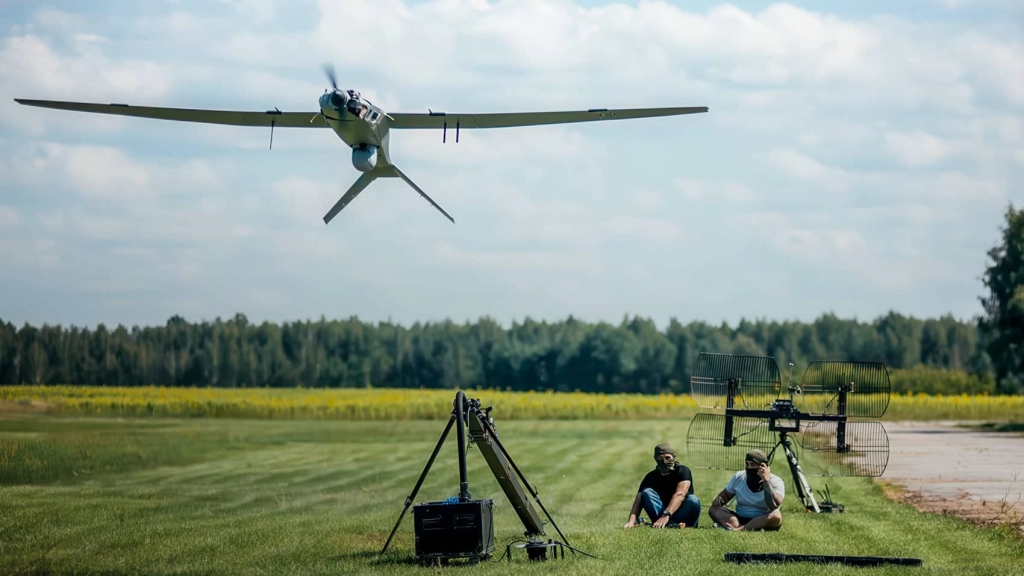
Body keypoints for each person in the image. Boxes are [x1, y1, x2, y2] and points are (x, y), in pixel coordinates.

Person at [624, 443, 702, 529]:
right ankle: (671, 525)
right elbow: (638, 502)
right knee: (646, 492)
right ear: (655, 459)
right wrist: (631, 522)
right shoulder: (650, 477)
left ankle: (683, 525)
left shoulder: (682, 471)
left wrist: (666, 514)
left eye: (667, 457)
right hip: (660, 513)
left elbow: (681, 494)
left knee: (693, 500)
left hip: (679, 511)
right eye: (660, 458)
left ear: (673, 457)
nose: (664, 461)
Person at [708, 449, 784, 531]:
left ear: (763, 466)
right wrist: (719, 499)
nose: (749, 467)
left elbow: (774, 505)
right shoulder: (739, 476)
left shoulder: (776, 481)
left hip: (762, 519)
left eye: (753, 464)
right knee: (713, 509)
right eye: (747, 464)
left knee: (776, 516)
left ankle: (740, 529)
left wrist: (766, 481)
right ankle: (744, 527)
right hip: (740, 518)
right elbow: (725, 495)